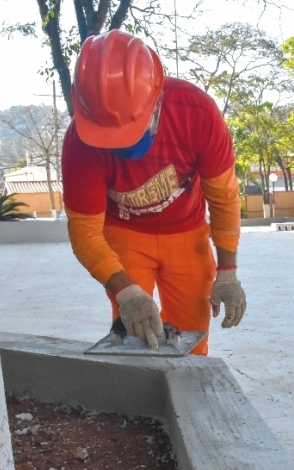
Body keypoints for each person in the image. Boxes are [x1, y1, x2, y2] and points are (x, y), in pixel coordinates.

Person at [61, 30, 245, 355]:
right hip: (125, 234)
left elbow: (223, 197)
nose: (121, 142)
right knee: (135, 333)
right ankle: (140, 402)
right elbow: (85, 232)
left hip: (187, 233)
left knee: (191, 337)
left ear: (156, 99)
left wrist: (227, 270)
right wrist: (123, 290)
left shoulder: (196, 113)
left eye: (130, 128)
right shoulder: (80, 143)